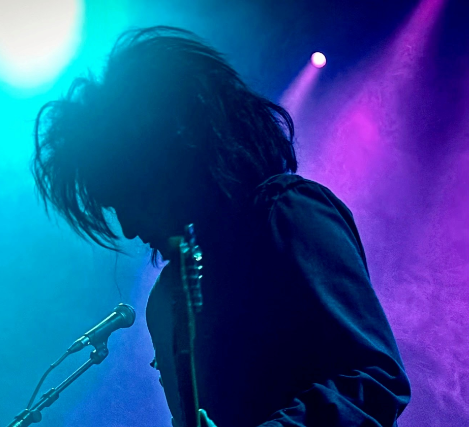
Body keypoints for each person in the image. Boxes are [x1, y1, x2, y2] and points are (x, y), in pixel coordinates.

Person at [31, 26, 411, 427]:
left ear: (171, 160)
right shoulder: (167, 300)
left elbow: (375, 379)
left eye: (129, 198)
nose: (127, 227)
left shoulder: (285, 213)